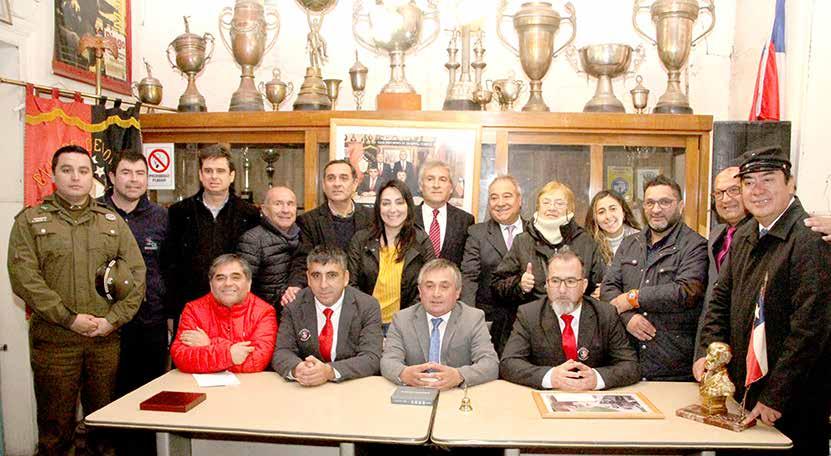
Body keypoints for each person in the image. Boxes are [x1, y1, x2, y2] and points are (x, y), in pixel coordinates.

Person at [8, 145, 146, 456]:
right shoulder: (31, 221)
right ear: (53, 175)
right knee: (55, 431)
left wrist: (112, 320)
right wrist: (69, 318)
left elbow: (137, 277)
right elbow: (25, 280)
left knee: (104, 428)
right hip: (55, 342)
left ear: (92, 178)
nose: (75, 177)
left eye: (83, 171)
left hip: (103, 341)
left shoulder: (111, 222)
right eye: (67, 170)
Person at [696, 146, 831, 454]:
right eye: (748, 182)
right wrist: (711, 353)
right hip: (742, 394)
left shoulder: (810, 238)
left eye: (767, 179)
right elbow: (719, 303)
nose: (757, 190)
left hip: (788, 406)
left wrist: (775, 396)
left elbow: (810, 330)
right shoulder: (745, 235)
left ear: (790, 184)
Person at [601, 175, 707, 381]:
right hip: (627, 361)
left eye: (665, 202)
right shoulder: (630, 243)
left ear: (680, 206)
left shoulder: (695, 245)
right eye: (650, 203)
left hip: (673, 367)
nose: (656, 209)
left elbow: (686, 291)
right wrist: (627, 318)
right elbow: (608, 288)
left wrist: (634, 298)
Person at [100, 150, 168, 456]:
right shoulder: (95, 212)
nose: (134, 180)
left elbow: (169, 267)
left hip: (150, 320)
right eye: (126, 173)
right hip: (106, 322)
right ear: (112, 177)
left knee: (149, 394)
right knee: (110, 395)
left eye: (140, 174)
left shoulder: (161, 217)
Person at [500, 248, 639, 390]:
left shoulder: (606, 314)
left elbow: (630, 365)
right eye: (555, 281)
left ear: (584, 285)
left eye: (570, 281)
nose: (562, 290)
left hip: (592, 396)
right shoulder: (529, 314)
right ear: (547, 284)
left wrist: (596, 378)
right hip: (547, 396)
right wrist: (550, 377)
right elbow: (509, 363)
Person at [164, 145, 259, 333]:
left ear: (231, 176)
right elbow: (170, 265)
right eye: (208, 171)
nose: (214, 176)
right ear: (200, 175)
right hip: (191, 308)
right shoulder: (179, 213)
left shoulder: (248, 214)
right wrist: (172, 311)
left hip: (235, 309)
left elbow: (253, 265)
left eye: (220, 171)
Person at [380, 259, 499, 390]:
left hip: (456, 393)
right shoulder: (402, 319)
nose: (436, 294)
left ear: (457, 292)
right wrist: (403, 373)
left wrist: (459, 375)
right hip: (415, 392)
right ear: (420, 291)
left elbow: (490, 363)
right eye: (429, 286)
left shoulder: (473, 318)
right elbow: (388, 361)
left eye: (444, 287)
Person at [273, 246, 382, 385]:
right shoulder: (294, 305)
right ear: (308, 278)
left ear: (346, 278)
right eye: (316, 276)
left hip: (351, 386)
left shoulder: (367, 306)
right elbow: (282, 352)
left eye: (332, 275)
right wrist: (298, 369)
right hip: (306, 387)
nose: (323, 285)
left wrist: (329, 372)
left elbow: (371, 357)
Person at [492, 180, 605, 307]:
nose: (552, 208)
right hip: (533, 316)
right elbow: (497, 284)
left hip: (575, 314)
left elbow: (599, 284)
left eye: (559, 203)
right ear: (538, 207)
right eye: (546, 203)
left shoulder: (586, 242)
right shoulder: (522, 241)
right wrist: (520, 285)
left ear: (570, 208)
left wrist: (600, 292)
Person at [348, 179, 435, 330]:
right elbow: (351, 285)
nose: (393, 209)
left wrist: (405, 323)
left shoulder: (422, 241)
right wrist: (367, 320)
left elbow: (429, 286)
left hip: (406, 325)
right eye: (386, 203)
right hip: (365, 323)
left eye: (399, 202)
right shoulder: (361, 240)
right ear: (378, 208)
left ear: (408, 206)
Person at [171, 254, 277, 374]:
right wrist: (229, 354)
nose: (228, 283)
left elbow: (256, 361)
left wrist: (210, 343)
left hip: (247, 385)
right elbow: (181, 357)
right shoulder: (193, 310)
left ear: (249, 284)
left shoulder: (264, 312)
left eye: (235, 277)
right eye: (220, 278)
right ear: (211, 284)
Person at [461, 175, 526, 355]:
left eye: (507, 196)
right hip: (489, 322)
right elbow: (469, 277)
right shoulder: (477, 233)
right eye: (494, 197)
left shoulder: (534, 232)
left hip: (527, 322)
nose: (500, 203)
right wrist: (469, 319)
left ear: (519, 200)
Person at [294, 159, 373, 305]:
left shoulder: (372, 219)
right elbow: (302, 260)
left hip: (365, 298)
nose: (337, 183)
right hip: (324, 297)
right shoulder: (308, 221)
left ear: (355, 184)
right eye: (331, 178)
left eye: (343, 178)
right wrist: (295, 285)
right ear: (324, 185)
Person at [693, 166, 748, 359]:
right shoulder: (716, 235)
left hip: (745, 341)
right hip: (714, 338)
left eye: (734, 190)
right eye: (719, 193)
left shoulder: (761, 236)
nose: (725, 199)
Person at [237, 186, 304, 318]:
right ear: (264, 210)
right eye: (278, 204)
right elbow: (243, 287)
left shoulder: (304, 235)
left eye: (290, 204)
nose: (285, 210)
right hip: (266, 316)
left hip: (299, 316)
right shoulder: (252, 240)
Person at [414, 160, 475, 267]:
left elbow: (468, 264)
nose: (436, 185)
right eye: (430, 179)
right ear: (420, 185)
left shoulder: (465, 220)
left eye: (442, 179)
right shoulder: (407, 217)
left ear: (451, 188)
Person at [584, 190, 641, 267]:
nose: (608, 216)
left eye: (613, 209)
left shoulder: (640, 240)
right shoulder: (589, 245)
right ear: (595, 218)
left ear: (623, 212)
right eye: (601, 212)